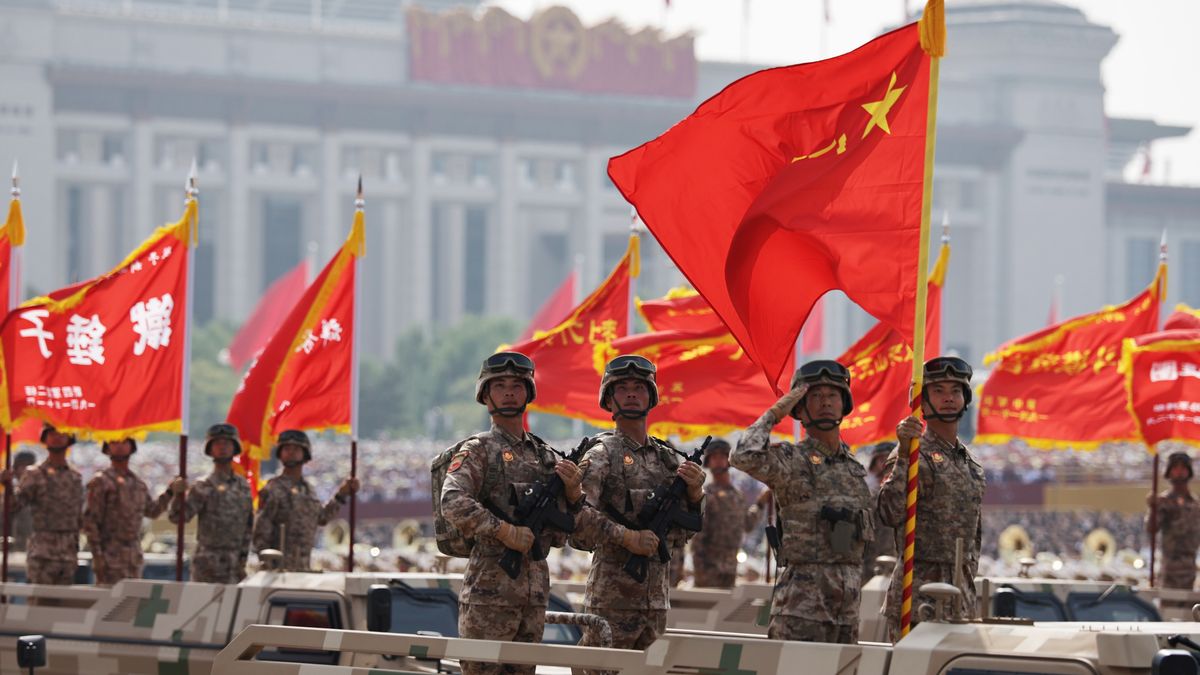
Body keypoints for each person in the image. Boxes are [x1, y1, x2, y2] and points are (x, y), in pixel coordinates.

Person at [440, 352, 592, 675]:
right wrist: (504, 531)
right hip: (488, 596)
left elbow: (575, 529)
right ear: (486, 395)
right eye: (500, 385)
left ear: (528, 393)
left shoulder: (546, 457)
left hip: (534, 595)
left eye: (517, 385)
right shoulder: (478, 450)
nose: (509, 391)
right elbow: (452, 500)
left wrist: (574, 494)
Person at [731, 360, 873, 643]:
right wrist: (776, 413)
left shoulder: (855, 468)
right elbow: (743, 456)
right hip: (801, 608)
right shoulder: (790, 460)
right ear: (800, 408)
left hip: (846, 609)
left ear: (843, 403)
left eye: (832, 395)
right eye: (815, 397)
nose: (825, 403)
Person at [575, 355, 703, 652]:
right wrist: (627, 537)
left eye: (640, 387)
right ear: (609, 399)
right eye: (622, 388)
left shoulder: (668, 458)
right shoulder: (601, 454)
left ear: (652, 396)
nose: (632, 394)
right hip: (611, 602)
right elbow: (577, 521)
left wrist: (696, 495)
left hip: (655, 602)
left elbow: (684, 533)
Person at [878, 356, 985, 640]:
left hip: (960, 596)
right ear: (922, 403)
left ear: (965, 399)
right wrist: (903, 454)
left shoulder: (970, 464)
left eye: (955, 391)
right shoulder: (913, 453)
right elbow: (888, 511)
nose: (948, 398)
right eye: (938, 391)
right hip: (917, 595)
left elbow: (975, 536)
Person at [253, 429, 357, 571]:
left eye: (296, 449)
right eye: (286, 448)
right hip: (278, 569)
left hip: (303, 567)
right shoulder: (272, 489)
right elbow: (261, 531)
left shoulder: (308, 490)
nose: (291, 452)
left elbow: (321, 518)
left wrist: (341, 495)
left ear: (305, 453)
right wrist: (268, 564)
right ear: (280, 453)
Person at [168, 423, 254, 583]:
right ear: (210, 449)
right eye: (217, 444)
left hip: (235, 565)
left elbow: (248, 527)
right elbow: (178, 517)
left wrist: (242, 560)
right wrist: (177, 496)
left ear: (234, 447)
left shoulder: (243, 486)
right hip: (207, 565)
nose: (222, 448)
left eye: (227, 443)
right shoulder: (203, 486)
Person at [0, 424, 84, 586]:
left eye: (61, 433)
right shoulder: (34, 474)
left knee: (65, 605)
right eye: (51, 433)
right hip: (42, 553)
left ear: (69, 439)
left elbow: (79, 516)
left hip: (68, 553)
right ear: (45, 439)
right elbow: (13, 507)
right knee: (39, 604)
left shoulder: (75, 477)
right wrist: (8, 487)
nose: (57, 436)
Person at [82, 438, 173, 585]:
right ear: (107, 448)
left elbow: (152, 511)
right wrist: (97, 556)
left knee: (130, 604)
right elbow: (90, 522)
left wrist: (170, 493)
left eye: (124, 443)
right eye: (114, 443)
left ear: (132, 447)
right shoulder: (101, 482)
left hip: (133, 557)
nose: (119, 447)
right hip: (109, 555)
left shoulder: (138, 484)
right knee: (109, 603)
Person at [688, 439, 757, 588]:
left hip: (730, 569)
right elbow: (698, 539)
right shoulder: (704, 495)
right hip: (708, 571)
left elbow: (747, 524)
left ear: (728, 460)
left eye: (722, 457)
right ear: (708, 461)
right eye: (714, 457)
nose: (718, 461)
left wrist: (761, 505)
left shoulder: (737, 496)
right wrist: (700, 571)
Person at [1147, 451, 1200, 603]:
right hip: (1170, 571)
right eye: (1175, 467)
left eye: (1183, 467)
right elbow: (1151, 529)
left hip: (1190, 571)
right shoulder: (1163, 502)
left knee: (1190, 617)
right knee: (1168, 615)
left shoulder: (1195, 504)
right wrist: (1153, 508)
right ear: (1169, 472)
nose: (1179, 471)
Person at [863, 442, 898, 581]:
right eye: (881, 459)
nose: (884, 465)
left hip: (897, 562)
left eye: (889, 460)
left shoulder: (908, 493)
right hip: (871, 561)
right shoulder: (866, 492)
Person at [1, 450, 37, 551]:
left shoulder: (40, 490)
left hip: (34, 546)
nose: (25, 470)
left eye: (29, 466)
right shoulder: (8, 492)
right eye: (21, 466)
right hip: (10, 546)